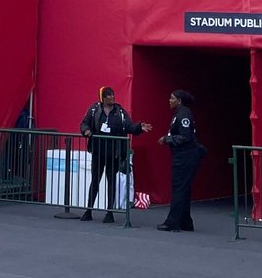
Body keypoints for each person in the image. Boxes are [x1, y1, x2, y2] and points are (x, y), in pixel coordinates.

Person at [78, 86, 151, 222]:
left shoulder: (120, 111)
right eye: (109, 95)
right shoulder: (94, 109)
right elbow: (84, 124)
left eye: (113, 95)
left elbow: (129, 126)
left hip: (114, 153)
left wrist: (139, 127)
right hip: (98, 151)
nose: (112, 97)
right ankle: (88, 211)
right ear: (103, 98)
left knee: (111, 181)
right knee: (95, 180)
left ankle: (109, 212)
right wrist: (86, 131)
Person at [156, 89, 205, 232]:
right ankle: (185, 221)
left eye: (172, 98)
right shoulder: (179, 114)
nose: (169, 101)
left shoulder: (184, 115)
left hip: (186, 156)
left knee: (178, 189)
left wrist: (167, 139)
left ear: (179, 100)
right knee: (184, 189)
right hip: (182, 156)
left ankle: (173, 221)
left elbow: (186, 137)